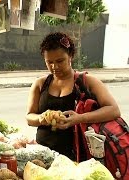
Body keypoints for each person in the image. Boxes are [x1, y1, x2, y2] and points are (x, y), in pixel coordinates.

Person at [25, 32, 120, 160]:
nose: (55, 67)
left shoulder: (87, 82)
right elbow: (30, 117)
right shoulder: (40, 84)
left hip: (78, 157)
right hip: (44, 156)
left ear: (70, 56)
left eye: (60, 61)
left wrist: (79, 118)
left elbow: (113, 110)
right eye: (49, 62)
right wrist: (42, 118)